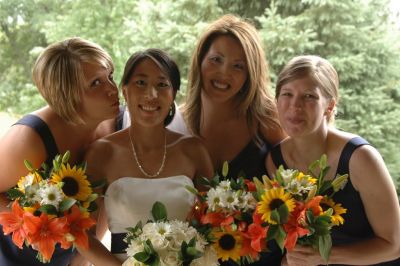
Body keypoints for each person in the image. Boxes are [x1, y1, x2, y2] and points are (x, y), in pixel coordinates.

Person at [78, 48, 214, 265]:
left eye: (162, 85)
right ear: (124, 90)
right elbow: (81, 233)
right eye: (141, 82)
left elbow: (213, 224)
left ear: (173, 94)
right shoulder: (101, 153)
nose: (151, 95)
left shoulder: (194, 150)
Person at [266, 55, 400, 265]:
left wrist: (324, 257)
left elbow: (393, 245)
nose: (295, 106)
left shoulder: (360, 158)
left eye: (309, 96)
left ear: (329, 106)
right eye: (287, 94)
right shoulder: (275, 162)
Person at [0, 37, 121, 265]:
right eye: (96, 83)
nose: (112, 90)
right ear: (67, 94)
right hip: (15, 254)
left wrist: (80, 260)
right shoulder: (30, 140)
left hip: (70, 253)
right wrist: (32, 219)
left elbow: (102, 201)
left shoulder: (113, 127)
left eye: (110, 77)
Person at [181, 14, 286, 265]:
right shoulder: (174, 121)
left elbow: (297, 187)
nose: (223, 73)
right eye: (216, 60)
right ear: (200, 61)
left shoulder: (265, 116)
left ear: (251, 72)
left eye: (238, 66)